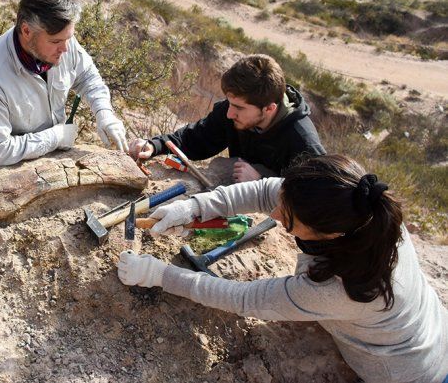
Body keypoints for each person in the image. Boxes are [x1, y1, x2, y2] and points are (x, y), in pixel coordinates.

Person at [118, 155, 448, 383]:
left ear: (329, 234)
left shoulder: (345, 289)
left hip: (412, 372)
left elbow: (243, 299)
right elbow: (265, 190)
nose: (274, 214)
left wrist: (159, 274)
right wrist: (195, 207)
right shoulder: (362, 209)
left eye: (287, 217)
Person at [0, 0, 128, 166]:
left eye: (68, 39)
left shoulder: (62, 38)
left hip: (59, 159)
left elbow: (88, 78)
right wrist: (56, 137)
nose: (66, 48)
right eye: (56, 41)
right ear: (27, 31)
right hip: (17, 167)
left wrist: (104, 113)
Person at [128, 54, 325, 182]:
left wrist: (262, 181)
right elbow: (195, 139)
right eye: (230, 104)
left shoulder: (302, 141)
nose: (230, 114)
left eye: (239, 108)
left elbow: (315, 194)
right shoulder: (231, 111)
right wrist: (155, 145)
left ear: (269, 109)